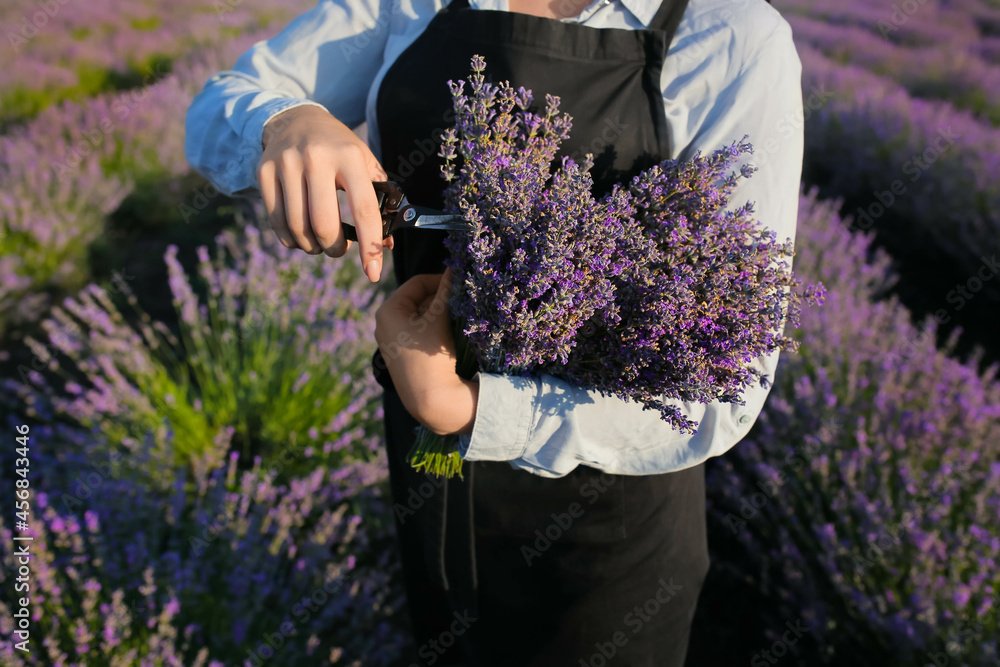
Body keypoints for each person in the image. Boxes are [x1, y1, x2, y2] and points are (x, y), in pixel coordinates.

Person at [184, 0, 803, 663]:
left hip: (603, 529)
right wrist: (284, 122)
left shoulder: (732, 35)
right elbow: (218, 106)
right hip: (430, 474)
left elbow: (720, 390)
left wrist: (472, 408)